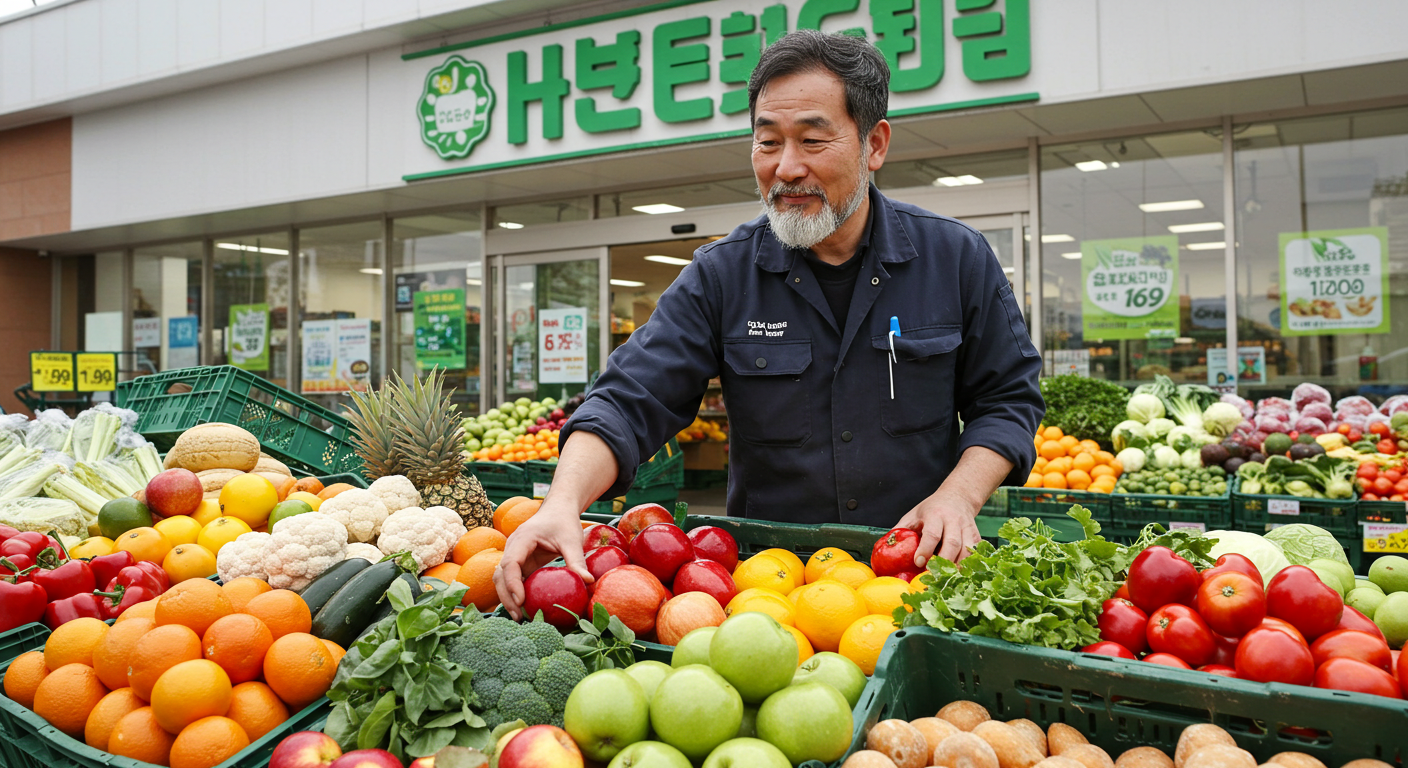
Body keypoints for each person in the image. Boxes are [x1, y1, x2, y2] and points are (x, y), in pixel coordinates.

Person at [495, 29, 1044, 617]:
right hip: (767, 594)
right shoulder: (721, 275)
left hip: (919, 574)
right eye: (767, 143)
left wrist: (959, 497)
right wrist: (561, 502)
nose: (786, 168)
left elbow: (1007, 400)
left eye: (812, 139)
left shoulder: (955, 258)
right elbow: (628, 399)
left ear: (874, 144)